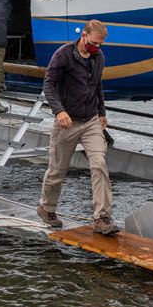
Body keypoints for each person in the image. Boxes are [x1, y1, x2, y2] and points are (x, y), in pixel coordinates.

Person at [37, 20, 119, 236]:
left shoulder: (99, 57)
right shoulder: (63, 55)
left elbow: (97, 85)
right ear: (84, 35)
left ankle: (102, 217)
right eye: (94, 43)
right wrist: (59, 111)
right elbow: (49, 84)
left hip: (90, 120)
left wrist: (101, 113)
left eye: (100, 45)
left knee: (99, 164)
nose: (97, 48)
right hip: (67, 121)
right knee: (57, 169)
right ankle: (47, 208)